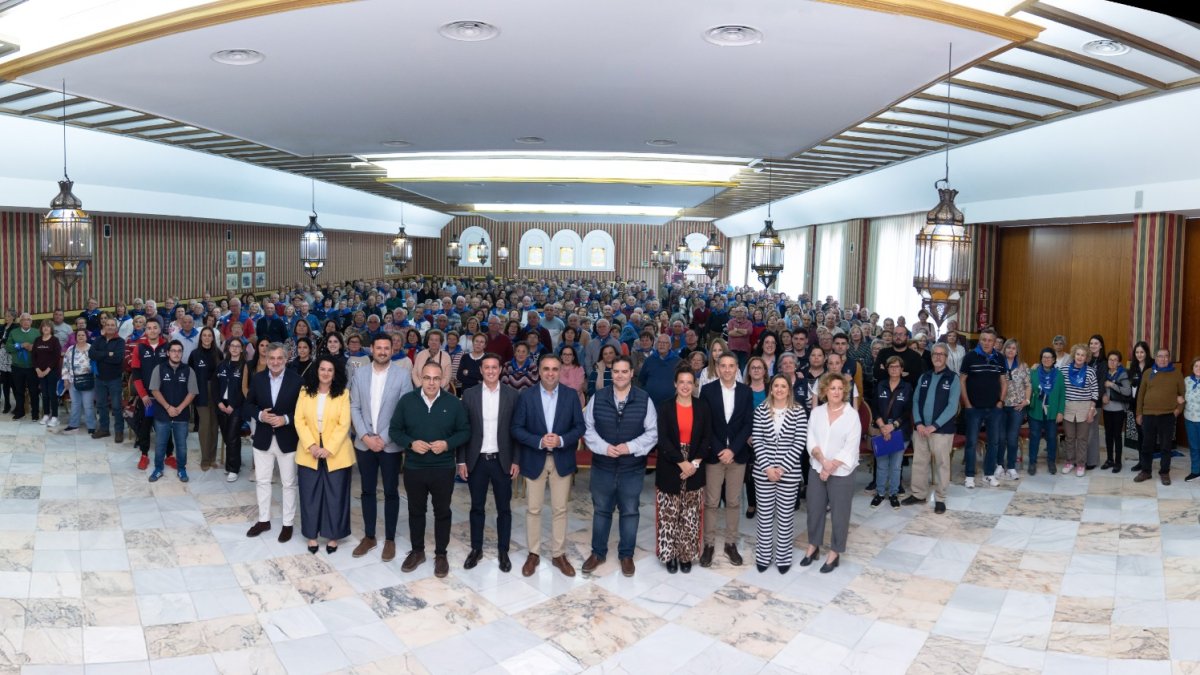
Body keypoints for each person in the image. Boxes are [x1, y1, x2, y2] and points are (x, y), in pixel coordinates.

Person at [389, 362, 470, 578]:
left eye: (436, 378)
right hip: (414, 467)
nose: (431, 382)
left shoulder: (453, 403)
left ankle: (441, 554)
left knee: (442, 512)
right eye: (427, 378)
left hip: (443, 468)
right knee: (416, 511)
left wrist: (447, 444)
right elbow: (395, 430)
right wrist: (410, 443)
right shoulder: (407, 401)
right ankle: (417, 551)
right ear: (420, 379)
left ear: (443, 380)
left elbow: (464, 431)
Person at [582, 356, 658, 578]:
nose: (620, 375)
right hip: (603, 465)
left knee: (630, 511)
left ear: (632, 373)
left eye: (625, 371)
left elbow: (653, 432)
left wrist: (630, 446)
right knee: (601, 510)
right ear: (611, 373)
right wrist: (604, 447)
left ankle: (626, 555)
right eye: (616, 371)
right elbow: (587, 428)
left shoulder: (644, 399)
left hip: (631, 467)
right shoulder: (598, 397)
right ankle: (598, 553)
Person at [513, 353, 586, 577]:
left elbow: (579, 427)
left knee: (560, 509)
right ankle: (533, 553)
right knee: (533, 509)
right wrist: (539, 440)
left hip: (562, 459)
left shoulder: (571, 395)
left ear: (559, 372)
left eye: (555, 369)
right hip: (534, 458)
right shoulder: (526, 396)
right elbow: (516, 428)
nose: (551, 373)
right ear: (539, 371)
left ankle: (558, 554)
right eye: (546, 369)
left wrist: (562, 440)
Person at [350, 334, 413, 561]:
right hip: (364, 444)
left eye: (387, 348)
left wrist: (382, 438)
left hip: (390, 445)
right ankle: (369, 536)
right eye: (379, 348)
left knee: (390, 492)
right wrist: (366, 437)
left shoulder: (403, 375)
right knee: (367, 491)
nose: (383, 351)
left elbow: (404, 410)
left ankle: (389, 539)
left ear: (392, 349)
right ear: (371, 350)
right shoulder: (360, 373)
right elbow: (354, 407)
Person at [458, 352, 520, 572]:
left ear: (500, 369)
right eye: (487, 367)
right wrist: (461, 461)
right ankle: (476, 549)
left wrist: (516, 460)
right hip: (477, 461)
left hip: (502, 461)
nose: (491, 371)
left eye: (495, 367)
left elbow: (516, 432)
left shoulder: (513, 395)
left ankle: (503, 550)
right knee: (477, 507)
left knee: (504, 509)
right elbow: (463, 430)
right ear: (481, 370)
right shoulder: (470, 394)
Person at [243, 343, 303, 542]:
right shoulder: (258, 378)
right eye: (272, 358)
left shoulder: (297, 380)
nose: (275, 362)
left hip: (287, 440)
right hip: (263, 438)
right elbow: (248, 405)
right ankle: (263, 520)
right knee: (262, 481)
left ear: (286, 359)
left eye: (279, 358)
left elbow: (303, 412)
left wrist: (285, 419)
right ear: (266, 359)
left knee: (288, 483)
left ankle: (287, 524)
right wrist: (260, 415)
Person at [295, 355, 355, 554]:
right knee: (309, 494)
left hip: (336, 452)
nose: (326, 373)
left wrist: (328, 448)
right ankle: (312, 536)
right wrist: (311, 446)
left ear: (335, 373)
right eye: (322, 369)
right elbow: (299, 420)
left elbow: (344, 423)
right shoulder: (305, 392)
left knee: (336, 495)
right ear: (316, 371)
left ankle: (333, 536)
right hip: (308, 451)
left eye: (330, 370)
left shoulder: (343, 394)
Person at [698, 353, 753, 567]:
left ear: (736, 369)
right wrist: (721, 449)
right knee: (711, 502)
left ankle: (731, 544)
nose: (727, 369)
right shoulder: (708, 391)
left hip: (737, 456)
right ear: (718, 368)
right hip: (714, 454)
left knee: (733, 502)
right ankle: (709, 545)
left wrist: (733, 449)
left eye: (731, 366)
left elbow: (748, 424)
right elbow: (705, 423)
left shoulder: (745, 392)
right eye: (723, 366)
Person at [655, 367, 709, 574]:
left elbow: (706, 439)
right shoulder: (665, 407)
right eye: (681, 382)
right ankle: (669, 555)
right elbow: (663, 439)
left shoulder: (702, 407)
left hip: (696, 463)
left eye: (689, 382)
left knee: (690, 514)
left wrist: (693, 464)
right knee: (669, 513)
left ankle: (686, 555)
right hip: (670, 464)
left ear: (694, 385)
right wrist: (681, 463)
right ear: (675, 384)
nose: (685, 386)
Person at [752, 374, 807, 573]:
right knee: (765, 516)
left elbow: (799, 442)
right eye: (776, 385)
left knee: (785, 517)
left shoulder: (799, 411)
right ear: (771, 388)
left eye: (783, 386)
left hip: (788, 473)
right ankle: (763, 556)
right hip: (764, 472)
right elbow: (757, 440)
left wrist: (781, 468)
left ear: (789, 389)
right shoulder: (760, 410)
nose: (780, 389)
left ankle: (783, 558)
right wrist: (767, 468)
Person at [902, 343, 960, 513]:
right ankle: (919, 494)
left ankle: (941, 498)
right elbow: (915, 400)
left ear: (946, 357)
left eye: (941, 354)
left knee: (942, 464)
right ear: (931, 355)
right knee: (919, 462)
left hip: (941, 430)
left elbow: (952, 407)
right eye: (935, 353)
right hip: (920, 429)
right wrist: (919, 423)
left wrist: (934, 426)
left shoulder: (953, 378)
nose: (937, 357)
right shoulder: (924, 376)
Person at [959, 328, 1007, 488]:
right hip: (974, 408)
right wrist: (967, 404)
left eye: (990, 340)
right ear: (979, 340)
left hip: (994, 408)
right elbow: (962, 380)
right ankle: (970, 475)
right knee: (971, 442)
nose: (986, 343)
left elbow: (1004, 381)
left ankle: (989, 474)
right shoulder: (970, 357)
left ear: (995, 342)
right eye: (984, 339)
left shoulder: (1000, 358)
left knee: (993, 443)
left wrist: (1001, 401)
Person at [1134, 347, 1186, 485]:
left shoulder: (1176, 373)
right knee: (1146, 445)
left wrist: (1177, 410)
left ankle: (1164, 472)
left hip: (1167, 416)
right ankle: (1146, 471)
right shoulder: (1148, 373)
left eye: (1165, 356)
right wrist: (1139, 413)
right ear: (1155, 358)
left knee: (1165, 446)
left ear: (1169, 358)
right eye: (1160, 356)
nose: (1163, 359)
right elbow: (1140, 395)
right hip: (1148, 415)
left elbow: (1182, 395)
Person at [148, 340, 197, 482]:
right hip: (162, 414)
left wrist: (180, 408)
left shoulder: (188, 370)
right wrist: (168, 408)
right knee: (160, 444)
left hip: (181, 416)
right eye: (173, 351)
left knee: (181, 445)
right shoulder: (159, 368)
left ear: (182, 353)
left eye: (179, 351)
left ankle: (182, 469)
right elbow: (155, 390)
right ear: (168, 353)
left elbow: (192, 392)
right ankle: (158, 469)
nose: (176, 353)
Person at [870, 356, 912, 510]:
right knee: (881, 465)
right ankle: (880, 493)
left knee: (895, 466)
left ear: (902, 369)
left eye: (897, 366)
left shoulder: (907, 387)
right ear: (887, 369)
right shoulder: (880, 385)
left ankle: (893, 494)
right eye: (891, 366)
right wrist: (882, 426)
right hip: (881, 430)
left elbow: (908, 411)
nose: (894, 369)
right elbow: (874, 408)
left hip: (900, 432)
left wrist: (893, 426)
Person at [131, 318, 173, 470]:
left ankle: (169, 455)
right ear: (145, 331)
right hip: (147, 397)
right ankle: (144, 455)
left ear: (160, 329)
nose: (152, 330)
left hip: (165, 397)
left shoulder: (167, 346)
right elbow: (136, 375)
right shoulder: (139, 348)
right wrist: (143, 395)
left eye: (155, 327)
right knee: (145, 426)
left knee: (166, 426)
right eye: (149, 328)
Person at [1059, 344, 1099, 478]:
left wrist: (1091, 410)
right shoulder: (1064, 370)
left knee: (1082, 438)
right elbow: (1058, 388)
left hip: (1085, 407)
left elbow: (1095, 392)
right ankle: (1069, 461)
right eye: (1078, 354)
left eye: (1083, 355)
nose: (1080, 357)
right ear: (1073, 355)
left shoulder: (1090, 371)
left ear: (1087, 357)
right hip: (1068, 407)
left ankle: (1081, 464)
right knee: (1069, 437)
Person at [1027, 348, 1066, 476]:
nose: (1047, 359)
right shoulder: (1033, 372)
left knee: (1051, 438)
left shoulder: (1059, 375)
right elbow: (1027, 389)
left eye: (1049, 357)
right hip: (1035, 412)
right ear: (1041, 359)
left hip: (1052, 413)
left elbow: (1062, 395)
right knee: (1034, 438)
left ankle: (1051, 462)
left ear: (1054, 359)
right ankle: (1032, 462)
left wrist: (1060, 412)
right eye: (1044, 357)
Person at [214, 339, 247, 482]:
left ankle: (233, 468)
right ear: (228, 348)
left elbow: (244, 389)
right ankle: (232, 463)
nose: (234, 348)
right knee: (227, 436)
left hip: (237, 406)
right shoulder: (221, 365)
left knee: (233, 436)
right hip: (222, 405)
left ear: (241, 349)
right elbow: (214, 385)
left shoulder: (245, 366)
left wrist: (233, 405)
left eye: (237, 346)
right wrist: (219, 402)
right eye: (232, 346)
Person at [189, 327, 222, 471]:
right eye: (204, 335)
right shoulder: (194, 354)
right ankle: (205, 458)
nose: (207, 338)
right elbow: (190, 375)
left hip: (216, 394)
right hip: (201, 393)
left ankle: (213, 458)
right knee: (205, 426)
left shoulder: (218, 354)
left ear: (213, 338)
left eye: (210, 335)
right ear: (200, 337)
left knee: (214, 427)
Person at [998, 339, 1030, 480]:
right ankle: (999, 465)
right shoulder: (998, 365)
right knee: (1001, 437)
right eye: (1008, 348)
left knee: (1012, 438)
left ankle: (1011, 466)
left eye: (1013, 348)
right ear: (1004, 349)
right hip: (1001, 406)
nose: (1011, 350)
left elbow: (1028, 385)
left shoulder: (1023, 366)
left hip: (1017, 407)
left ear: (1017, 351)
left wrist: (1026, 401)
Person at [90, 318, 126, 442]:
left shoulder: (120, 341)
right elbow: (91, 354)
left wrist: (101, 355)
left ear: (116, 327)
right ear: (104, 327)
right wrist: (108, 353)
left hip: (114, 379)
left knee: (116, 407)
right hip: (99, 378)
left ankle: (119, 431)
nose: (110, 327)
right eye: (107, 325)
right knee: (101, 405)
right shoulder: (98, 340)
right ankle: (104, 429)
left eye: (112, 325)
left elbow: (117, 359)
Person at [1101, 350, 1133, 472]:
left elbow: (1127, 391)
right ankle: (1109, 460)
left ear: (1119, 362)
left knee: (1117, 435)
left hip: (1118, 409)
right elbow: (1100, 387)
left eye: (1115, 360)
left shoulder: (1122, 374)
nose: (1112, 362)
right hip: (1107, 409)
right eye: (1110, 359)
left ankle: (1118, 462)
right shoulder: (1105, 373)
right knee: (1108, 435)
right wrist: (1103, 394)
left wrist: (1112, 385)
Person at [60, 329, 96, 435]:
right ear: (76, 337)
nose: (81, 337)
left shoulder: (91, 348)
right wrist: (65, 379)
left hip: (88, 380)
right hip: (73, 380)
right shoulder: (71, 349)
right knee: (75, 403)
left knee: (88, 404)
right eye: (79, 335)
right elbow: (65, 364)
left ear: (86, 336)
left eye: (83, 335)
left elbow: (96, 364)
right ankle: (73, 424)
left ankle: (91, 426)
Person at [32, 320, 62, 427]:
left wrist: (46, 371)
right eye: (44, 327)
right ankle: (46, 414)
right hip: (40, 372)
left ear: (51, 329)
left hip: (52, 372)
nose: (45, 328)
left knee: (52, 394)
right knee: (44, 394)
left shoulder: (55, 340)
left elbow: (56, 357)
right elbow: (33, 357)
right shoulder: (37, 340)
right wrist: (37, 370)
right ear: (41, 329)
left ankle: (54, 417)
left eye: (48, 327)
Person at [639, 333, 680, 405]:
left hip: (672, 403)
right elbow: (642, 379)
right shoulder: (649, 360)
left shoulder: (678, 361)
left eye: (665, 343)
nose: (662, 345)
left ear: (670, 346)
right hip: (651, 402)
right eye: (660, 342)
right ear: (656, 345)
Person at [1185, 357, 1200, 482]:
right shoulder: (1187, 381)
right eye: (1196, 366)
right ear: (1192, 368)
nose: (1198, 368)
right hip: (1189, 419)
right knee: (1194, 446)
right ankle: (1195, 471)